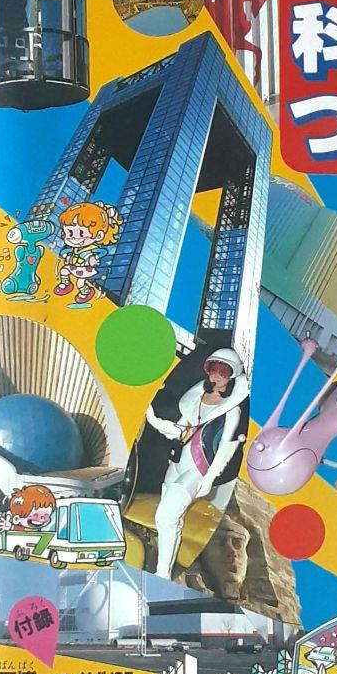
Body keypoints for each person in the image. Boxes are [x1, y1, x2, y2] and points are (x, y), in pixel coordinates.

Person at [146, 348, 249, 580]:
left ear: (232, 375)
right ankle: (164, 572)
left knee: (166, 515)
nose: (217, 375)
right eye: (214, 369)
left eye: (224, 371)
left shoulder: (231, 410)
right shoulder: (196, 398)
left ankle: (161, 575)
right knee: (171, 521)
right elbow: (180, 430)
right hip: (177, 462)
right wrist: (153, 418)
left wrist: (210, 477)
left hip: (199, 468)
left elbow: (226, 447)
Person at [52, 201, 122, 305]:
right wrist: (68, 257)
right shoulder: (74, 249)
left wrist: (92, 260)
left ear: (98, 236)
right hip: (73, 266)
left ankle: (86, 292)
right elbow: (68, 254)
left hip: (84, 269)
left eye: (81, 233)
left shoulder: (91, 250)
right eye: (69, 233)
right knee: (64, 271)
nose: (74, 238)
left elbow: (94, 257)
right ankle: (65, 284)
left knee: (80, 282)